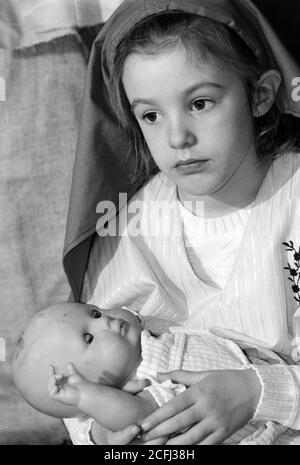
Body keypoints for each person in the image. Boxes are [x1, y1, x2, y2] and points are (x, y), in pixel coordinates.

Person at [62, 0, 300, 445]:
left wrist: (257, 390)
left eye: (200, 103)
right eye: (151, 115)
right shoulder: (127, 225)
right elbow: (77, 369)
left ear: (261, 95)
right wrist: (99, 434)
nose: (177, 138)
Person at [12, 301, 290, 445]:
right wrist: (86, 398)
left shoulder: (149, 337)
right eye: (88, 338)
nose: (105, 321)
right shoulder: (144, 384)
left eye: (94, 313)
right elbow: (136, 420)